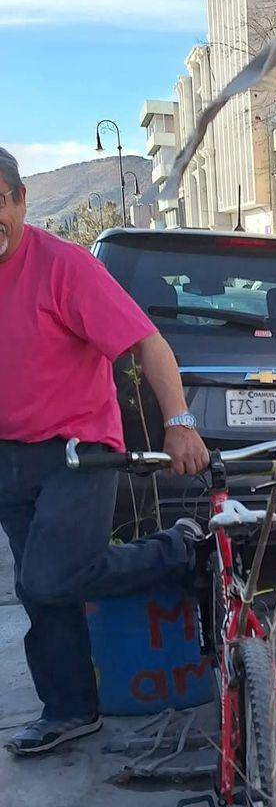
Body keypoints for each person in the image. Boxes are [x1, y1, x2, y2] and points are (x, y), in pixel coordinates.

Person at [0, 147, 210, 756]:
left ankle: (178, 548)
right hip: (10, 456)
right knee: (40, 588)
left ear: (20, 201)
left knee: (51, 575)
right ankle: (70, 709)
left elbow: (148, 342)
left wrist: (179, 422)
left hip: (78, 451)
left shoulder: (63, 266)